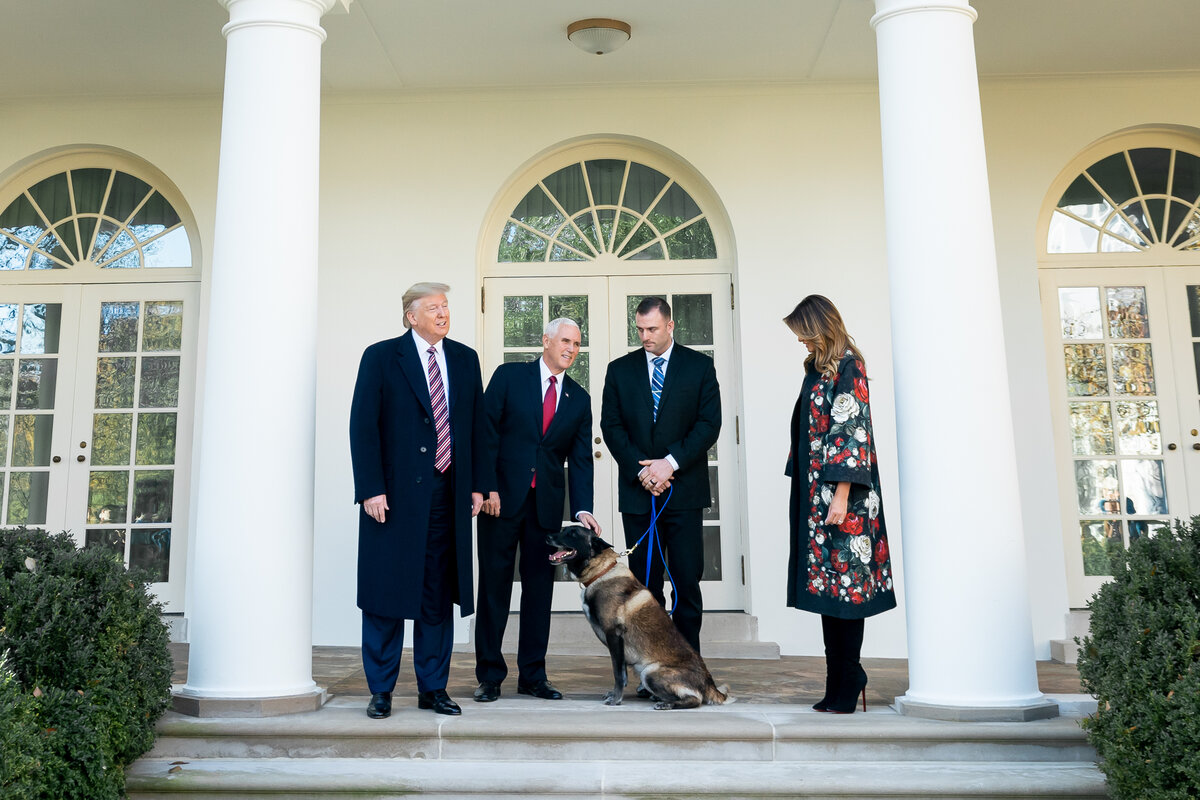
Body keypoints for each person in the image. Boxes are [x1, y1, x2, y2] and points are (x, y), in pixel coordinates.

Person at [349, 282, 487, 719]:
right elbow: (362, 427)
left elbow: (477, 430)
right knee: (386, 595)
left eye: (446, 306)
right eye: (434, 307)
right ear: (411, 316)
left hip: (448, 496)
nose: (443, 313)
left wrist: (478, 486)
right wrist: (370, 487)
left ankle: (433, 688)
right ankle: (382, 690)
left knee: (436, 595)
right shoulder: (380, 356)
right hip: (391, 499)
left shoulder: (465, 360)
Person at [471, 318, 602, 703]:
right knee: (494, 589)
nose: (571, 349)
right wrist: (486, 486)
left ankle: (532, 675)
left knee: (539, 592)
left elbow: (580, 460)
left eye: (577, 344)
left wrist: (581, 510)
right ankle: (490, 677)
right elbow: (486, 433)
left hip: (545, 510)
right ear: (545, 341)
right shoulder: (510, 377)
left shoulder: (578, 398)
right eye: (565, 341)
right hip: (500, 503)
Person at [783, 294, 896, 714]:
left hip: (843, 498)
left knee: (846, 588)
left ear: (820, 327)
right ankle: (839, 681)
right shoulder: (817, 367)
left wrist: (842, 497)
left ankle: (848, 679)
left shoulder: (850, 366)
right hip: (818, 495)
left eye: (803, 333)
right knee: (830, 590)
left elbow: (852, 432)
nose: (800, 341)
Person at [600, 296, 720, 656]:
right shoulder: (619, 370)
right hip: (639, 494)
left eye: (651, 329)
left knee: (686, 583)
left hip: (684, 492)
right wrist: (645, 471)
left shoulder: (699, 367)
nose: (645, 336)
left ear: (670, 326)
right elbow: (612, 425)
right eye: (639, 329)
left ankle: (687, 665)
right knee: (643, 588)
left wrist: (669, 463)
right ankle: (649, 666)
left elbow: (708, 424)